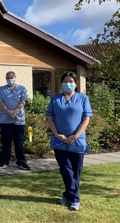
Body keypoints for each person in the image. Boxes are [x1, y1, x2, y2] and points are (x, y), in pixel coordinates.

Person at [46, 72, 92, 211]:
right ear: (61, 83)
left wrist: (76, 135)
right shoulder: (55, 99)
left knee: (75, 171)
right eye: (65, 81)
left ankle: (68, 196)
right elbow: (50, 118)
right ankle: (75, 200)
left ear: (76, 84)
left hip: (77, 141)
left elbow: (86, 119)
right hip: (59, 141)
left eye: (71, 81)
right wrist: (57, 134)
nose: (68, 83)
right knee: (66, 169)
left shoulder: (83, 99)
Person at [0, 71, 30, 170]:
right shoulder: (1, 89)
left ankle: (21, 162)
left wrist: (14, 112)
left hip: (19, 120)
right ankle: (4, 162)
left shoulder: (21, 88)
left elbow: (23, 101)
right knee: (5, 142)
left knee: (19, 142)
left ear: (15, 77)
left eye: (11, 77)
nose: (9, 79)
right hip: (5, 120)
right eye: (7, 77)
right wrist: (8, 112)